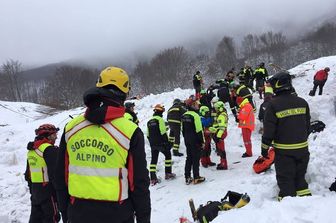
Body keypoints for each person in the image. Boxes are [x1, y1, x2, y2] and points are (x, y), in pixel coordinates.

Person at [54, 66, 151, 223]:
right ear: (125, 93)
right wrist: (143, 219)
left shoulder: (71, 128)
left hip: (78, 213)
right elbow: (139, 184)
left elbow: (60, 177)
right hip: (118, 215)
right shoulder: (130, 132)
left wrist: (66, 213)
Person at [262, 71, 311, 200]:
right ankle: (308, 204)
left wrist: (264, 147)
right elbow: (307, 126)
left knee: (286, 180)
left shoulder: (272, 105)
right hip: (303, 150)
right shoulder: (302, 102)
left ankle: (287, 208)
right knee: (300, 178)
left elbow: (269, 130)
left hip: (284, 152)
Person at [25, 124, 61, 223]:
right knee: (52, 218)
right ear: (47, 136)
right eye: (54, 135)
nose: (56, 137)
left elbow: (28, 174)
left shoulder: (32, 150)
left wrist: (32, 190)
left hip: (36, 190)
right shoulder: (49, 149)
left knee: (36, 218)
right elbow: (55, 174)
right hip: (48, 190)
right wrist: (59, 192)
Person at [147, 104, 176, 185]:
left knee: (153, 160)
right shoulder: (160, 120)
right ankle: (168, 173)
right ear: (161, 112)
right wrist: (167, 143)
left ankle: (153, 178)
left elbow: (148, 135)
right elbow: (163, 132)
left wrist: (152, 144)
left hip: (153, 144)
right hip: (161, 143)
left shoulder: (149, 121)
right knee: (168, 155)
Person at [182, 98, 205, 185]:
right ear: (192, 105)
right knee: (196, 158)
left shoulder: (184, 115)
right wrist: (202, 141)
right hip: (195, 139)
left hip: (187, 139)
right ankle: (196, 177)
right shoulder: (195, 116)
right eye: (195, 104)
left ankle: (187, 177)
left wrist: (186, 139)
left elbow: (182, 130)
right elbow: (199, 130)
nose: (197, 105)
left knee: (189, 158)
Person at [210, 101, 229, 170]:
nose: (216, 110)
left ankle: (224, 165)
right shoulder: (222, 114)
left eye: (217, 108)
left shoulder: (221, 116)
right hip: (219, 133)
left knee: (221, 150)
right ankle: (222, 162)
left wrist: (218, 136)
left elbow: (222, 128)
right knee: (220, 149)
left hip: (220, 134)